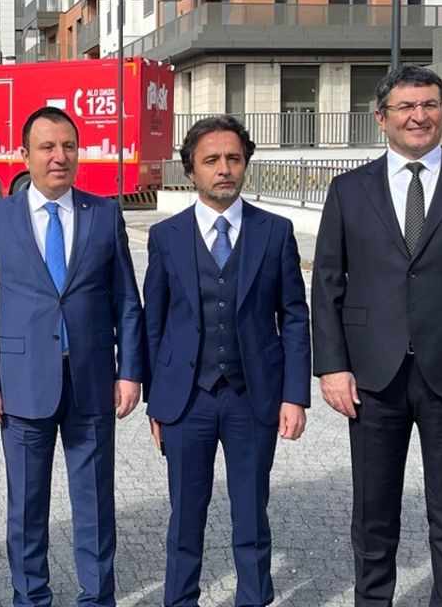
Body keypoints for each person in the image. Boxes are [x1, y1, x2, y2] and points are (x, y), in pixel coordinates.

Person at [312, 65, 442, 607]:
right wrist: (332, 366)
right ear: (381, 117)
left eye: (429, 104)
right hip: (372, 377)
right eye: (406, 106)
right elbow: (328, 284)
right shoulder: (349, 189)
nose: (419, 116)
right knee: (373, 511)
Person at [0, 105, 145, 607]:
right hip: (22, 383)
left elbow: (126, 302)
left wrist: (130, 371)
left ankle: (97, 597)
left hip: (92, 380)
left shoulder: (104, 214)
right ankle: (31, 598)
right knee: (26, 507)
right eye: (47, 147)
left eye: (69, 146)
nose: (59, 156)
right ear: (24, 155)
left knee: (95, 503)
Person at [142, 116, 310, 607]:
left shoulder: (275, 232)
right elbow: (154, 322)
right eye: (211, 160)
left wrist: (294, 396)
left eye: (233, 159)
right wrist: (156, 400)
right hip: (186, 399)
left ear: (245, 165)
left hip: (252, 397)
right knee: (184, 518)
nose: (224, 169)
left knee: (252, 516)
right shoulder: (166, 235)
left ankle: (253, 600)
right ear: (190, 170)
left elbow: (294, 317)